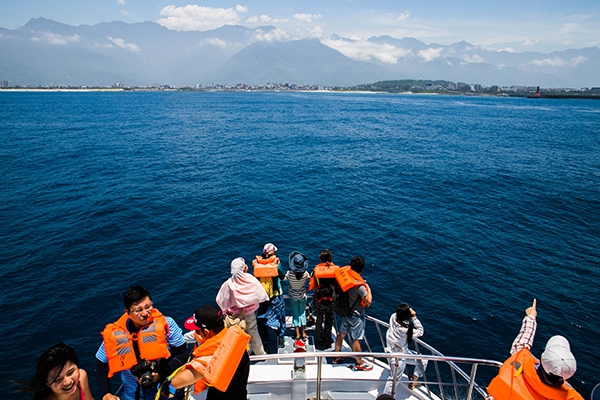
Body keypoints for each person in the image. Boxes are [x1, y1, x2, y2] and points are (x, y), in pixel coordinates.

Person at [95, 285, 188, 400]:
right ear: (127, 313)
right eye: (138, 310)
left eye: (148, 307)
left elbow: (182, 353)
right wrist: (106, 393)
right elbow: (101, 366)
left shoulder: (167, 324)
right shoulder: (116, 334)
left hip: (166, 389)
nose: (145, 313)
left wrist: (162, 372)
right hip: (133, 394)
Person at [487, 299, 583, 400]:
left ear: (542, 357)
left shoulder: (520, 363)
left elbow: (521, 344)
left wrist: (531, 317)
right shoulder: (572, 398)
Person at [168, 305, 250, 400]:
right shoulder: (235, 343)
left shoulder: (208, 360)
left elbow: (176, 383)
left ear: (206, 332)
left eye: (197, 331)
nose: (194, 333)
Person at [216, 257, 269, 355]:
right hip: (250, 313)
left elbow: (221, 299)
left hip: (235, 316)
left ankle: (242, 355)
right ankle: (260, 353)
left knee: (239, 336)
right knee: (253, 333)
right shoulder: (250, 280)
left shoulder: (228, 283)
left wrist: (227, 309)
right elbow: (261, 294)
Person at [332, 255, 373, 371]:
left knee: (341, 334)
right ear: (362, 269)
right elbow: (368, 301)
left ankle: (336, 355)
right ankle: (359, 362)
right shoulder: (359, 286)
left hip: (346, 311)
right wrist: (368, 288)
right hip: (356, 316)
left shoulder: (345, 278)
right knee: (356, 340)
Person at [16, 342, 94, 400]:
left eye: (70, 372)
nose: (67, 382)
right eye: (58, 380)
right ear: (47, 383)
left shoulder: (82, 377)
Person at [383, 304, 428, 395]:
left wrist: (406, 312)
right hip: (398, 358)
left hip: (397, 351)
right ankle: (387, 397)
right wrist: (414, 317)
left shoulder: (393, 317)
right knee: (393, 381)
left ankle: (414, 381)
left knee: (423, 360)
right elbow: (420, 331)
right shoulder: (405, 331)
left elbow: (399, 314)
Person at [253, 243, 287, 349]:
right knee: (280, 315)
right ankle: (280, 338)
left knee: (261, 317)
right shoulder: (276, 262)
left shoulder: (257, 263)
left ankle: (265, 338)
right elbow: (281, 275)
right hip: (276, 294)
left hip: (262, 296)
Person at [310, 249, 338, 347]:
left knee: (319, 319)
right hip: (331, 300)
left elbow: (312, 283)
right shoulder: (336, 270)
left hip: (319, 298)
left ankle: (318, 339)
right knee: (329, 320)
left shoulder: (316, 269)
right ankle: (327, 340)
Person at [285, 251, 311, 341]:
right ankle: (304, 333)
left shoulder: (290, 274)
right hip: (302, 296)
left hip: (293, 296)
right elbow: (310, 277)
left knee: (295, 315)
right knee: (302, 313)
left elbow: (283, 277)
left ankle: (297, 334)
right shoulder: (305, 274)